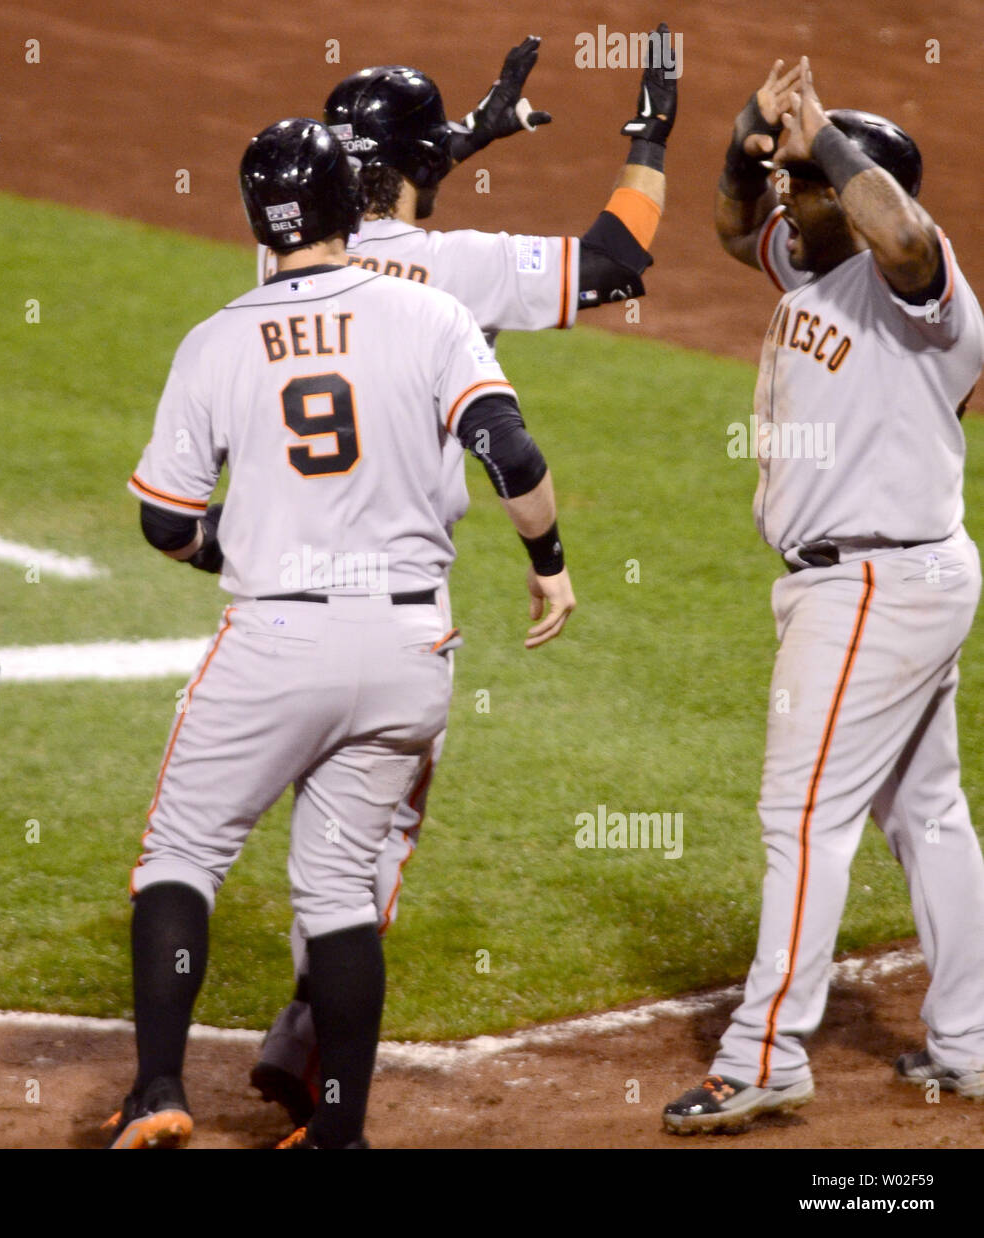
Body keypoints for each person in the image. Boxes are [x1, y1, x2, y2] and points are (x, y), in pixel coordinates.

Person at [109, 117, 575, 1149]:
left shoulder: (216, 336)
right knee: (336, 885)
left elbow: (164, 519)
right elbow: (509, 449)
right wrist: (547, 565)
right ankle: (338, 1132)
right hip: (410, 649)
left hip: (276, 637)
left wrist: (236, 551)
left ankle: (157, 1089)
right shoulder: (432, 312)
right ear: (348, 204)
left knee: (181, 856)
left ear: (257, 221)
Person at [251, 30, 676, 1124]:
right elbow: (618, 262)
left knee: (277, 823)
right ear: (417, 162)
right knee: (369, 837)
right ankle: (312, 1039)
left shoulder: (278, 258)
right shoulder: (468, 267)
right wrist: (650, 140)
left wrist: (459, 143)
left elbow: (384, 206)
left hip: (278, 593)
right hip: (400, 607)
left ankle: (204, 1052)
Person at [663, 57, 984, 1135]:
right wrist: (746, 137)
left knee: (800, 816)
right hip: (884, 579)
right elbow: (725, 223)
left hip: (874, 584)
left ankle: (764, 1051)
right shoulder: (807, 263)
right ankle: (974, 1040)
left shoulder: (923, 293)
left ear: (853, 194)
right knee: (927, 812)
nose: (786, 202)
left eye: (804, 186)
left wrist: (825, 148)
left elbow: (902, 236)